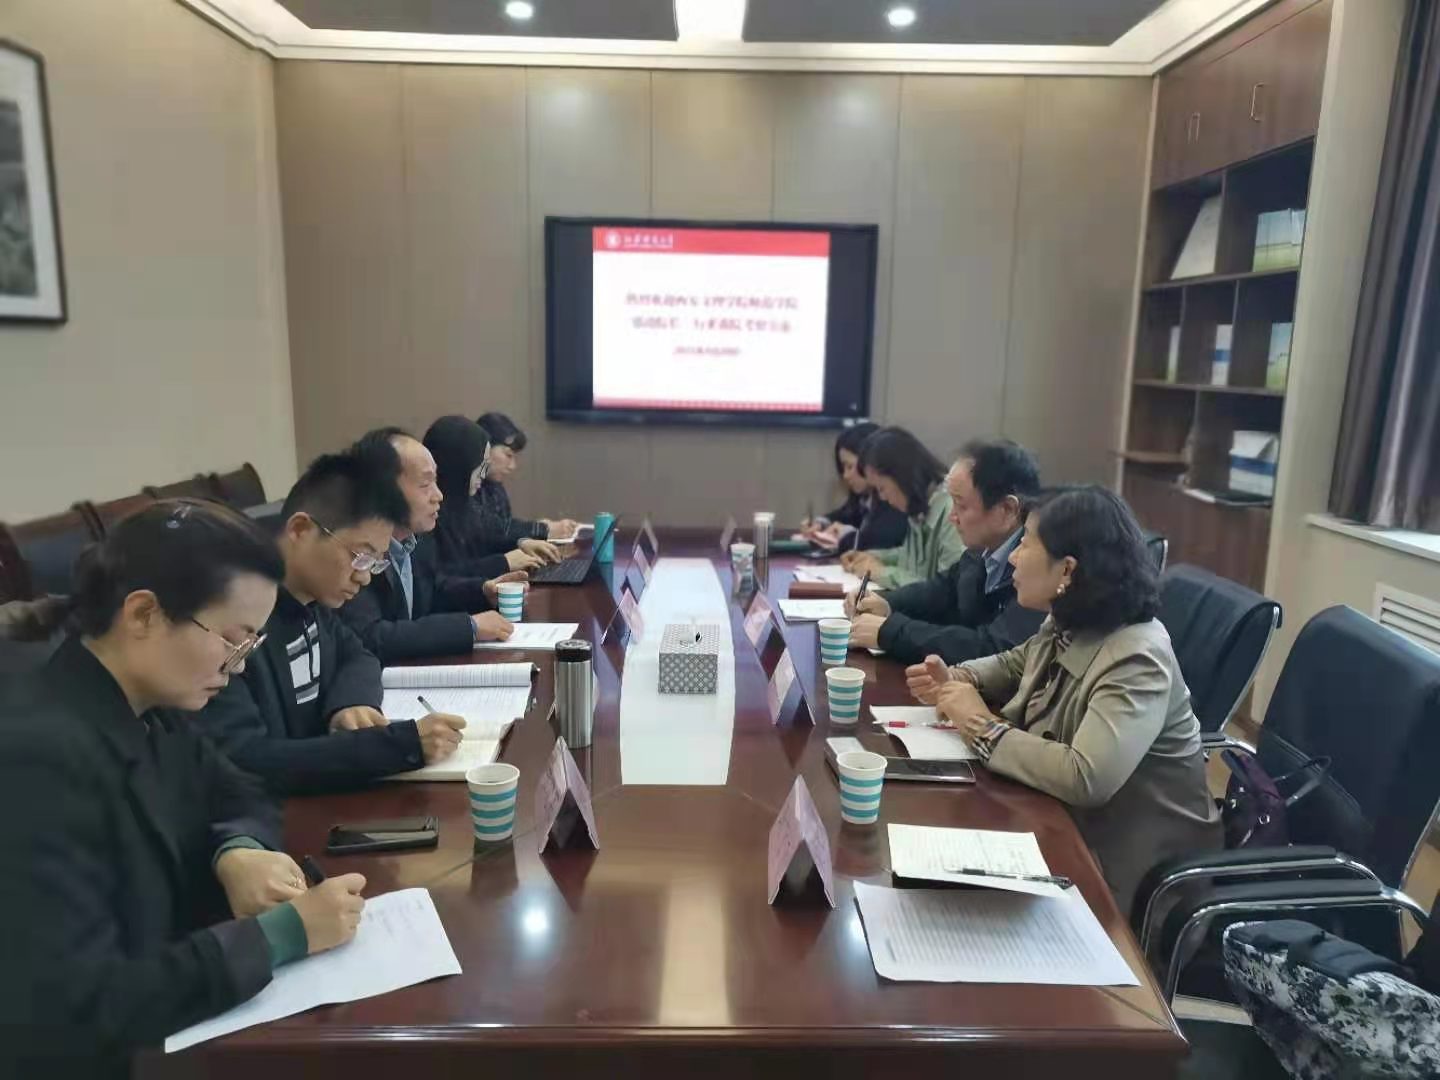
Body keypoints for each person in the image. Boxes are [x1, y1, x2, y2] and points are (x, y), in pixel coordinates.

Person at [0, 501, 366, 1075]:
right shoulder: (36, 760)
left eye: (250, 647)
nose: (238, 667)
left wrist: (237, 851)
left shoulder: (151, 704)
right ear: (143, 613)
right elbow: (78, 1005)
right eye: (232, 640)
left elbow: (240, 789)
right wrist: (277, 937)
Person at [906, 486, 1222, 913]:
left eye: (1025, 544)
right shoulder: (1071, 617)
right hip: (1058, 824)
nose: (1013, 558)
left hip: (1127, 874)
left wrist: (980, 725)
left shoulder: (1137, 656)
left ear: (1067, 569)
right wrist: (959, 678)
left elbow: (1085, 776)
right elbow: (1018, 662)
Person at [196, 449, 468, 792]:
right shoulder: (234, 624)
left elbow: (359, 654)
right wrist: (398, 747)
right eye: (361, 556)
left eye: (376, 562)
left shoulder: (314, 600)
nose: (365, 577)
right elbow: (247, 760)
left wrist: (351, 702)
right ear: (300, 530)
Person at [845, 440, 1046, 662]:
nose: (952, 516)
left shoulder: (1041, 565)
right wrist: (887, 602)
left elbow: (992, 648)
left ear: (1007, 510)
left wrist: (891, 632)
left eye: (961, 505)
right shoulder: (982, 551)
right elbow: (941, 590)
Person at [341, 427, 523, 661]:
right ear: (385, 489)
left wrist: (482, 591)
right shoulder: (357, 550)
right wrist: (468, 626)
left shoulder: (417, 539)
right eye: (425, 484)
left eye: (435, 482)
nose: (439, 495)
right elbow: (369, 636)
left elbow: (434, 588)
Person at [425, 415, 553, 578]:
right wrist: (503, 562)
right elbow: (438, 579)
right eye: (480, 466)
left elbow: (487, 534)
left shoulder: (462, 505)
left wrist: (521, 542)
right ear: (460, 464)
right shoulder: (429, 512)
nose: (483, 474)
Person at [839, 426, 965, 589]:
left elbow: (945, 590)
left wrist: (881, 572)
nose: (882, 497)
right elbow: (909, 559)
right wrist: (873, 557)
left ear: (901, 476)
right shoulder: (919, 506)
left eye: (881, 488)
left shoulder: (952, 510)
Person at [801, 422, 909, 553]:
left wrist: (847, 535)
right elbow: (846, 515)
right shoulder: (864, 497)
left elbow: (880, 544)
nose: (845, 475)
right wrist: (822, 524)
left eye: (850, 467)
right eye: (843, 468)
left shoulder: (894, 496)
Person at [475, 411, 578, 543]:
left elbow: (503, 527)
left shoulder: (495, 487)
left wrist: (536, 529)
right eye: (508, 455)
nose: (512, 466)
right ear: (485, 448)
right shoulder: (466, 486)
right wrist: (542, 529)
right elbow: (487, 532)